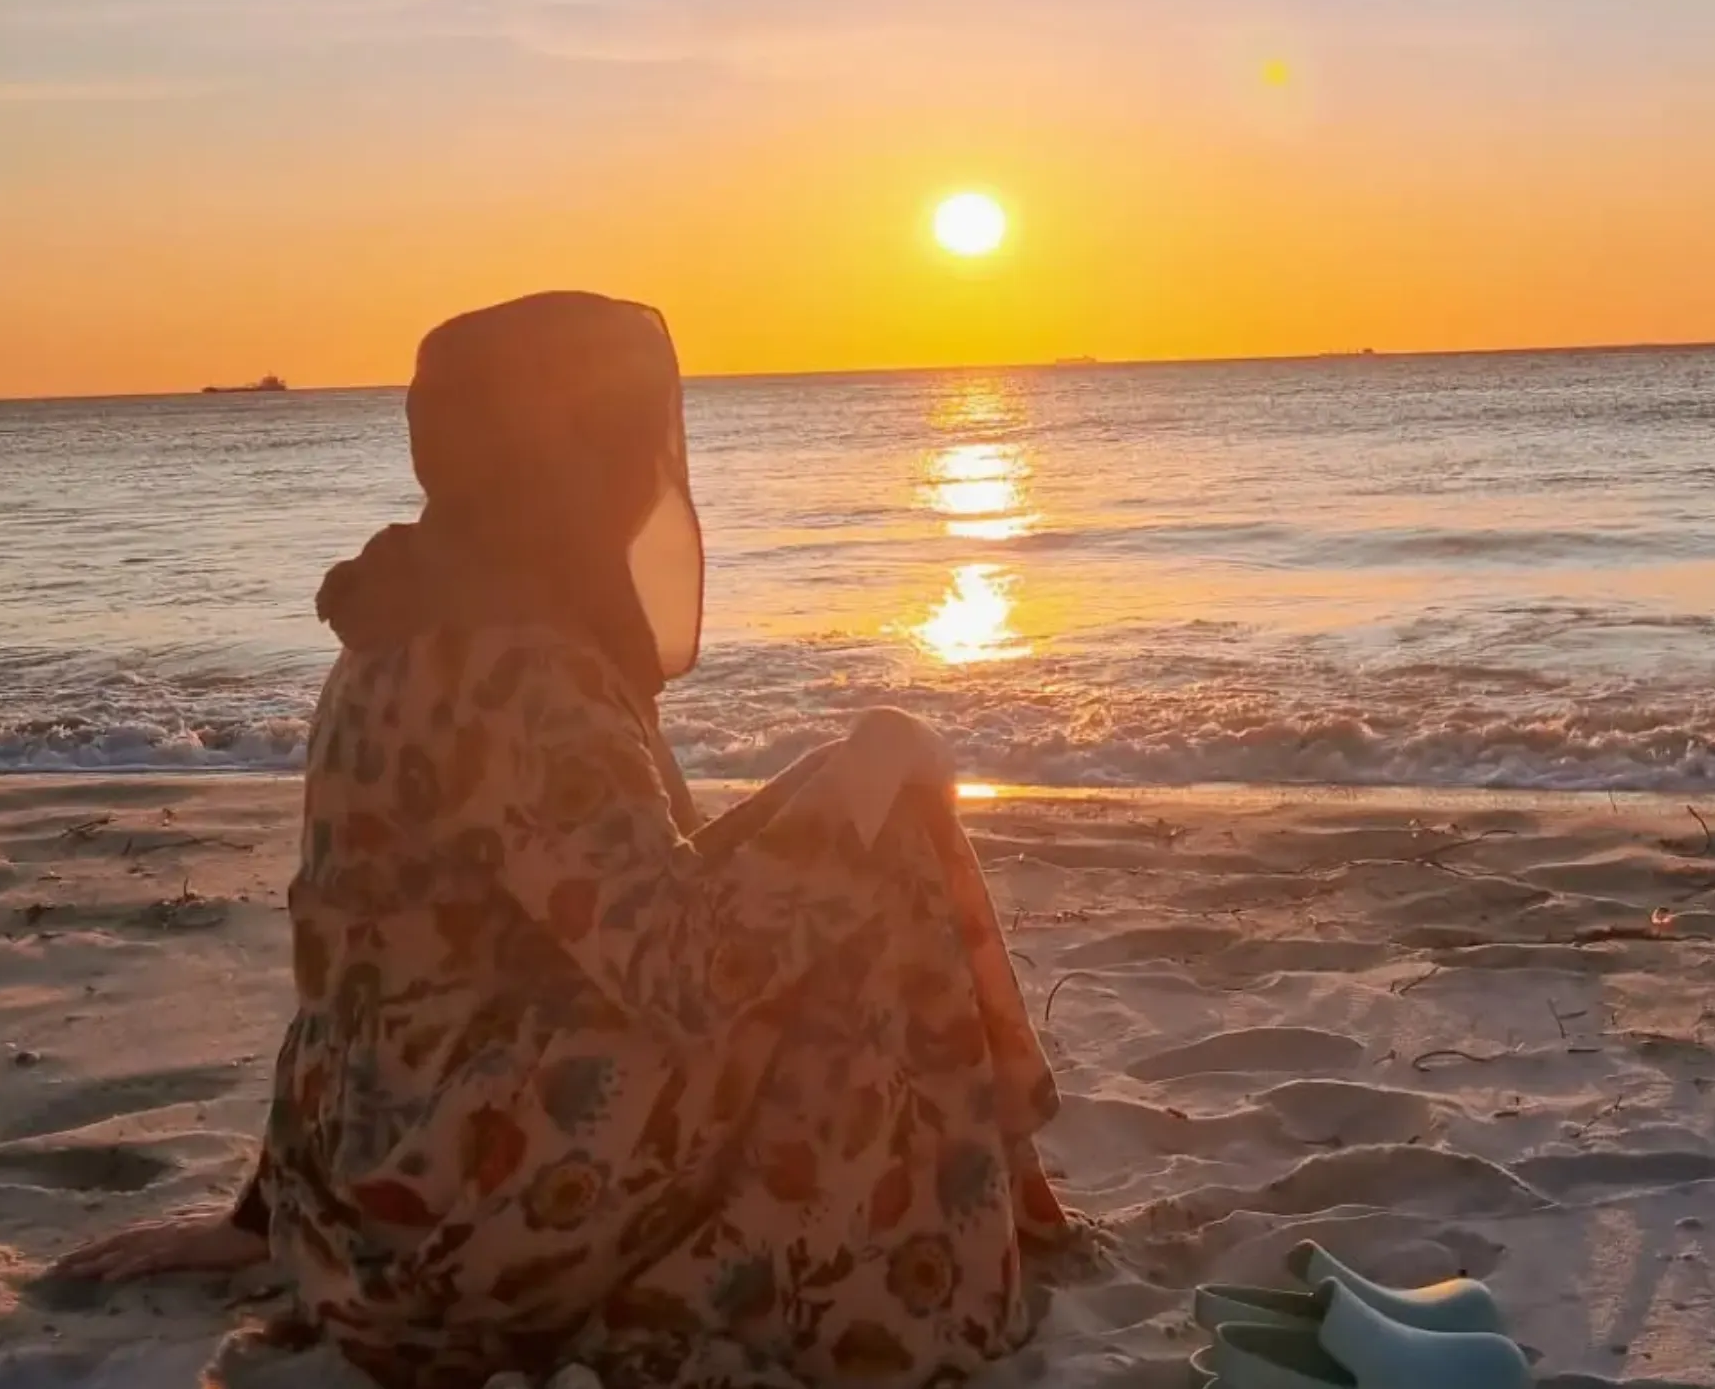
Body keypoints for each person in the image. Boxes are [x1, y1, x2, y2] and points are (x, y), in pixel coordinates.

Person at [53, 291, 1067, 1389]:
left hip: (355, 1210)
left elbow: (349, 974)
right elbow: (681, 969)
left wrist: (266, 1214)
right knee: (884, 838)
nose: (653, 471)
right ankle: (932, 1282)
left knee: (849, 798)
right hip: (460, 1246)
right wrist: (895, 750)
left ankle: (972, 1200)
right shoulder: (523, 668)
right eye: (636, 435)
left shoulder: (398, 622)